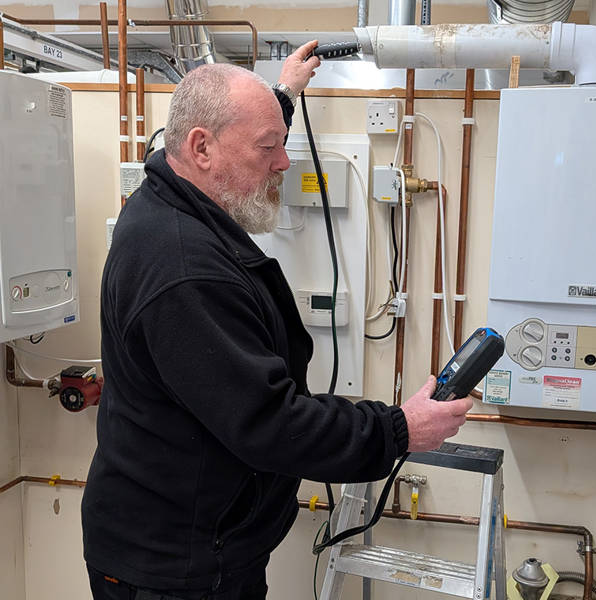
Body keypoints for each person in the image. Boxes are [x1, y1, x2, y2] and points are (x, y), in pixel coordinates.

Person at [81, 40, 473, 600]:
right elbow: (268, 423)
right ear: (202, 148)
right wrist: (400, 429)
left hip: (191, 543)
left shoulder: (173, 190)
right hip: (177, 571)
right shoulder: (185, 269)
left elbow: (234, 128)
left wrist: (283, 95)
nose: (284, 162)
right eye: (270, 147)